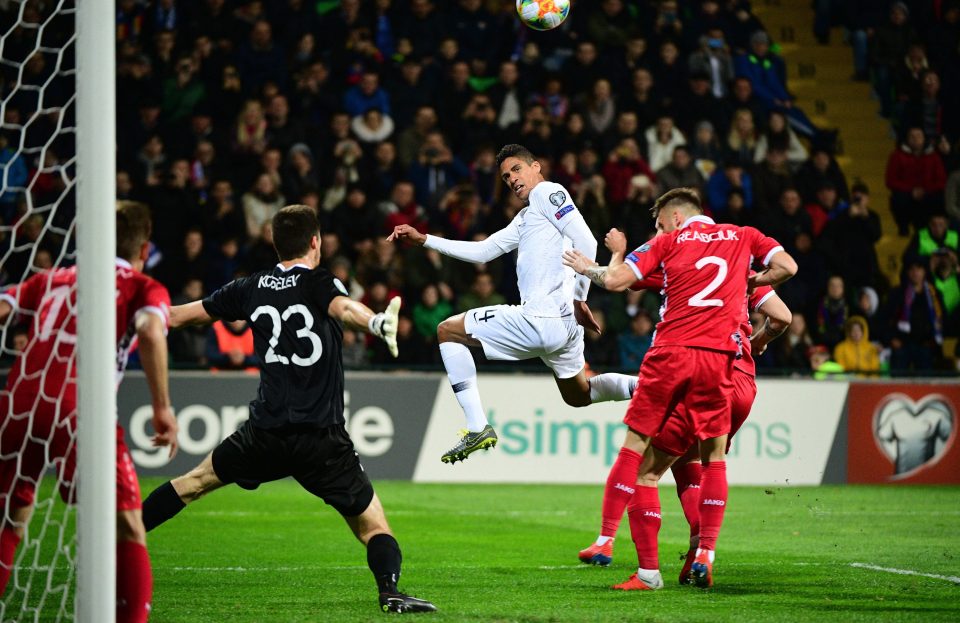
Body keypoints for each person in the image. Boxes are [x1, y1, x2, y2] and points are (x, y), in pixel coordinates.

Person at [139, 205, 435, 614]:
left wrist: (127, 311)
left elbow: (176, 317)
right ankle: (390, 593)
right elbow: (344, 307)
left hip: (265, 433)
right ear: (316, 242)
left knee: (192, 483)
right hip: (322, 439)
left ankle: (118, 546)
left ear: (275, 243)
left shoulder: (248, 287)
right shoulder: (320, 281)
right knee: (373, 527)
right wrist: (375, 323)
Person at [563, 187, 796, 590]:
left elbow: (617, 280)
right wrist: (755, 341)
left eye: (656, 226)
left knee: (650, 466)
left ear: (672, 219)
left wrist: (604, 258)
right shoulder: (739, 245)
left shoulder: (672, 247)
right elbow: (782, 316)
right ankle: (700, 555)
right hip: (732, 373)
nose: (655, 233)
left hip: (677, 357)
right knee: (709, 460)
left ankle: (627, 554)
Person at [388, 144, 639, 464]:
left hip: (543, 317)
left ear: (537, 166)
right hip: (564, 326)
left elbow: (586, 241)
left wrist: (580, 297)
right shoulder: (528, 216)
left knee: (447, 331)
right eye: (506, 176)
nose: (511, 179)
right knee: (580, 395)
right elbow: (483, 251)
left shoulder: (548, 192)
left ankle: (477, 426)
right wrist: (425, 239)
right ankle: (651, 387)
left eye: (517, 169)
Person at [0, 201, 179, 623]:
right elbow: (152, 331)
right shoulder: (141, 285)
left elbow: (4, 308)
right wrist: (162, 408)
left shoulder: (50, 279)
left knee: (10, 518)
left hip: (17, 402)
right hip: (80, 408)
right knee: (129, 527)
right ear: (144, 246)